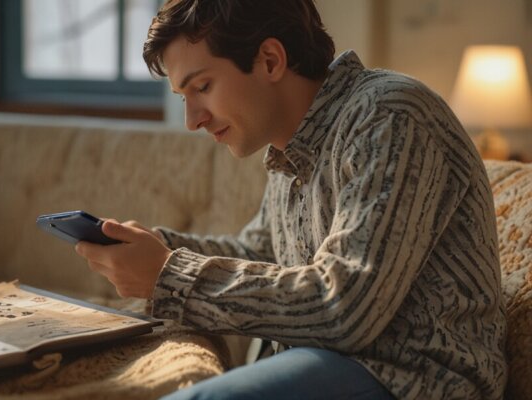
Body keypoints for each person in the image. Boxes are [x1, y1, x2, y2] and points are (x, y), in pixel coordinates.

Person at [74, 0, 507, 398]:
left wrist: (170, 275)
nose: (192, 120)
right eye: (183, 97)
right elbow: (260, 254)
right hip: (326, 362)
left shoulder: (390, 116)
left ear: (270, 60)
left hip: (408, 379)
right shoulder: (289, 150)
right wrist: (158, 251)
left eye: (202, 86)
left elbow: (345, 309)